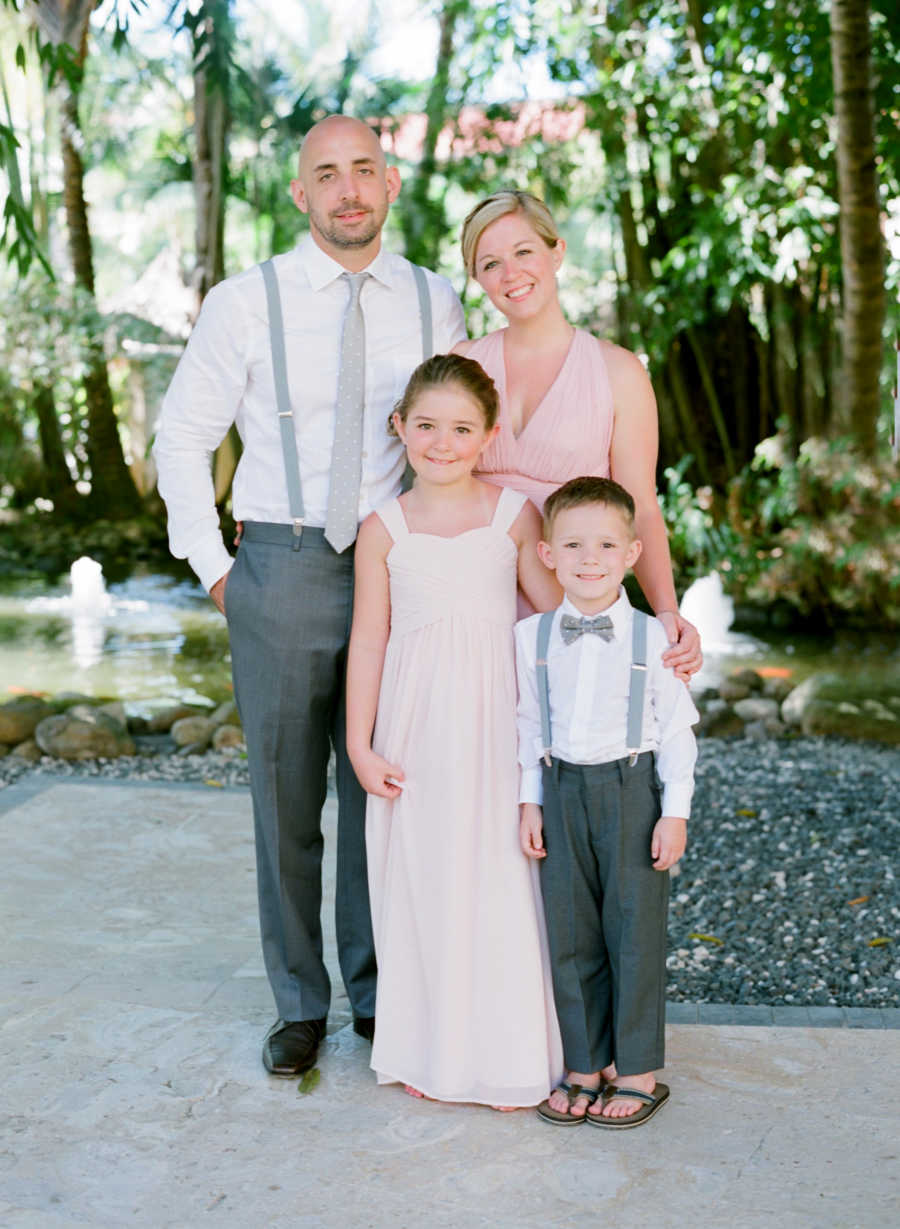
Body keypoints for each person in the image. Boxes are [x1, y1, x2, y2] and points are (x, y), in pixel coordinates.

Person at [152, 115, 466, 1077]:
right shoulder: (246, 302)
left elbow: (459, 433)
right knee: (285, 804)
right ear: (299, 194)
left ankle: (380, 998)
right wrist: (216, 570)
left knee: (383, 793)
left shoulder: (434, 300)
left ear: (391, 181)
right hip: (280, 565)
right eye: (326, 175)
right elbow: (181, 439)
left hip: (396, 567)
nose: (348, 191)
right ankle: (299, 1001)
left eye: (364, 169)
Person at [346, 353, 564, 1108]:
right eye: (428, 425)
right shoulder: (383, 528)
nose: (443, 442)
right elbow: (369, 639)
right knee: (423, 876)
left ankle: (509, 1054)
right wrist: (359, 743)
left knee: (500, 873)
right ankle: (430, 1048)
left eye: (462, 428)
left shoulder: (512, 515)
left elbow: (556, 618)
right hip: (413, 727)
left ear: (488, 435)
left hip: (494, 720)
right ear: (400, 426)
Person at [454, 190, 701, 681]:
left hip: (573, 606)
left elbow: (642, 507)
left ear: (556, 252)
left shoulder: (619, 371)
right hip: (471, 602)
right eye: (491, 263)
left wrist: (667, 613)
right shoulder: (460, 365)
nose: (511, 274)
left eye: (524, 252)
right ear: (476, 278)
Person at [514, 475, 699, 1127]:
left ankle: (639, 1068)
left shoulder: (655, 638)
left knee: (634, 931)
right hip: (561, 787)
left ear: (631, 553)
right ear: (547, 555)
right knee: (570, 931)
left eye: (604, 545)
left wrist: (674, 810)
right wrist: (529, 801)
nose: (588, 559)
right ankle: (585, 1063)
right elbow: (529, 725)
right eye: (572, 544)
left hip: (631, 789)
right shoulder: (530, 637)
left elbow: (677, 731)